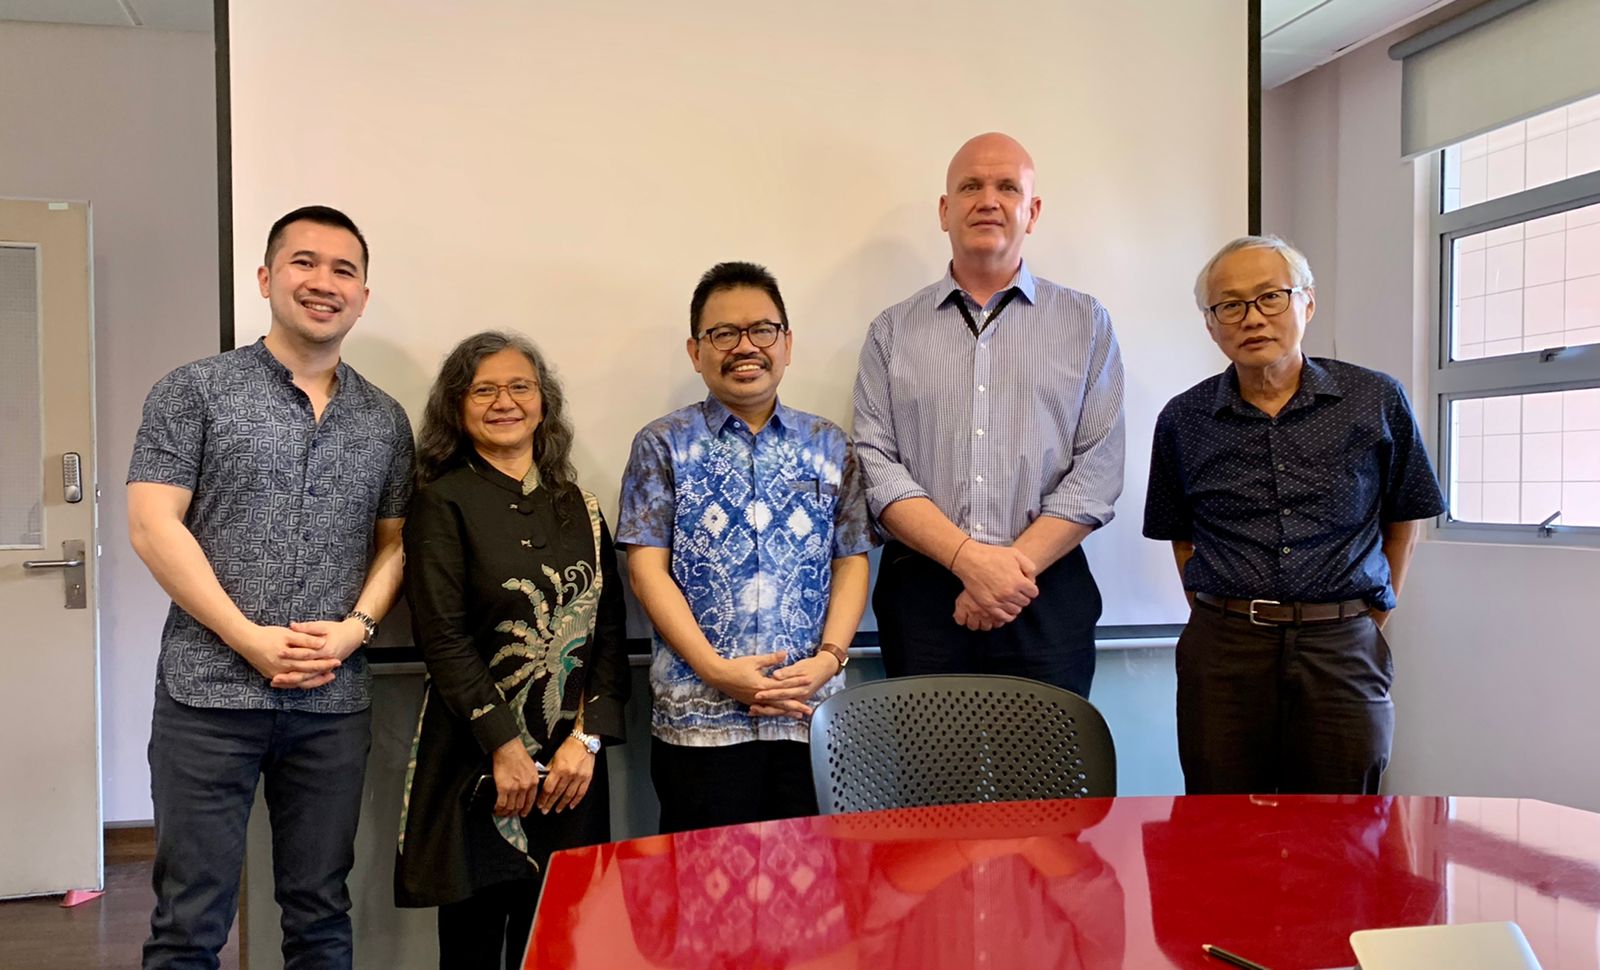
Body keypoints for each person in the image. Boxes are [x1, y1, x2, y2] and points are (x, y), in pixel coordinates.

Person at [127, 205, 414, 968]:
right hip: (207, 697)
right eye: (304, 263)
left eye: (344, 270)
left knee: (320, 911)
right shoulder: (194, 391)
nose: (324, 283)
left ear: (362, 293)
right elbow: (154, 527)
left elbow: (395, 544)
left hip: (331, 701)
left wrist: (357, 627)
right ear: (265, 277)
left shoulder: (384, 419)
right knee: (190, 920)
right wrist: (248, 637)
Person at [1143, 234, 1447, 795]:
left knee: (1345, 831)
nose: (1252, 318)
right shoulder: (1184, 419)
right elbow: (1181, 537)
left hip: (1343, 644)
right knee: (1222, 825)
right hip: (1225, 651)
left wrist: (1371, 615)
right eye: (1229, 305)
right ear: (1211, 326)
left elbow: (1406, 518)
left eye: (1270, 297)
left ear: (1307, 303)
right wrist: (1226, 613)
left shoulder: (1375, 399)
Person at [853, 132, 1125, 698]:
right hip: (924, 599)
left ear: (1033, 210)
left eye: (1007, 187)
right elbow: (876, 465)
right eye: (971, 186)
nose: (988, 200)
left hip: (1047, 591)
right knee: (933, 783)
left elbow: (1098, 470)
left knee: (1050, 783)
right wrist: (967, 560)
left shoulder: (1085, 323)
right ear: (945, 210)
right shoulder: (892, 332)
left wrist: (1005, 572)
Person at [395, 331, 629, 969]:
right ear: (457, 407)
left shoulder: (579, 505)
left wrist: (588, 740)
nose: (505, 401)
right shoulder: (441, 502)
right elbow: (441, 637)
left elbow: (609, 632)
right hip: (476, 758)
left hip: (572, 766)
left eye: (520, 386)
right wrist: (505, 747)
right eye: (484, 389)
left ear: (543, 402)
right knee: (472, 946)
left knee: (561, 942)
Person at [618, 261, 877, 834]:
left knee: (808, 896)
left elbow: (852, 560)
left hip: (807, 715)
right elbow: (647, 573)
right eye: (723, 334)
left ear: (786, 343)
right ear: (696, 349)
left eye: (762, 330)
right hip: (698, 721)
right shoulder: (662, 445)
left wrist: (830, 659)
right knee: (701, 900)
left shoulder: (830, 445)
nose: (745, 347)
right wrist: (716, 671)